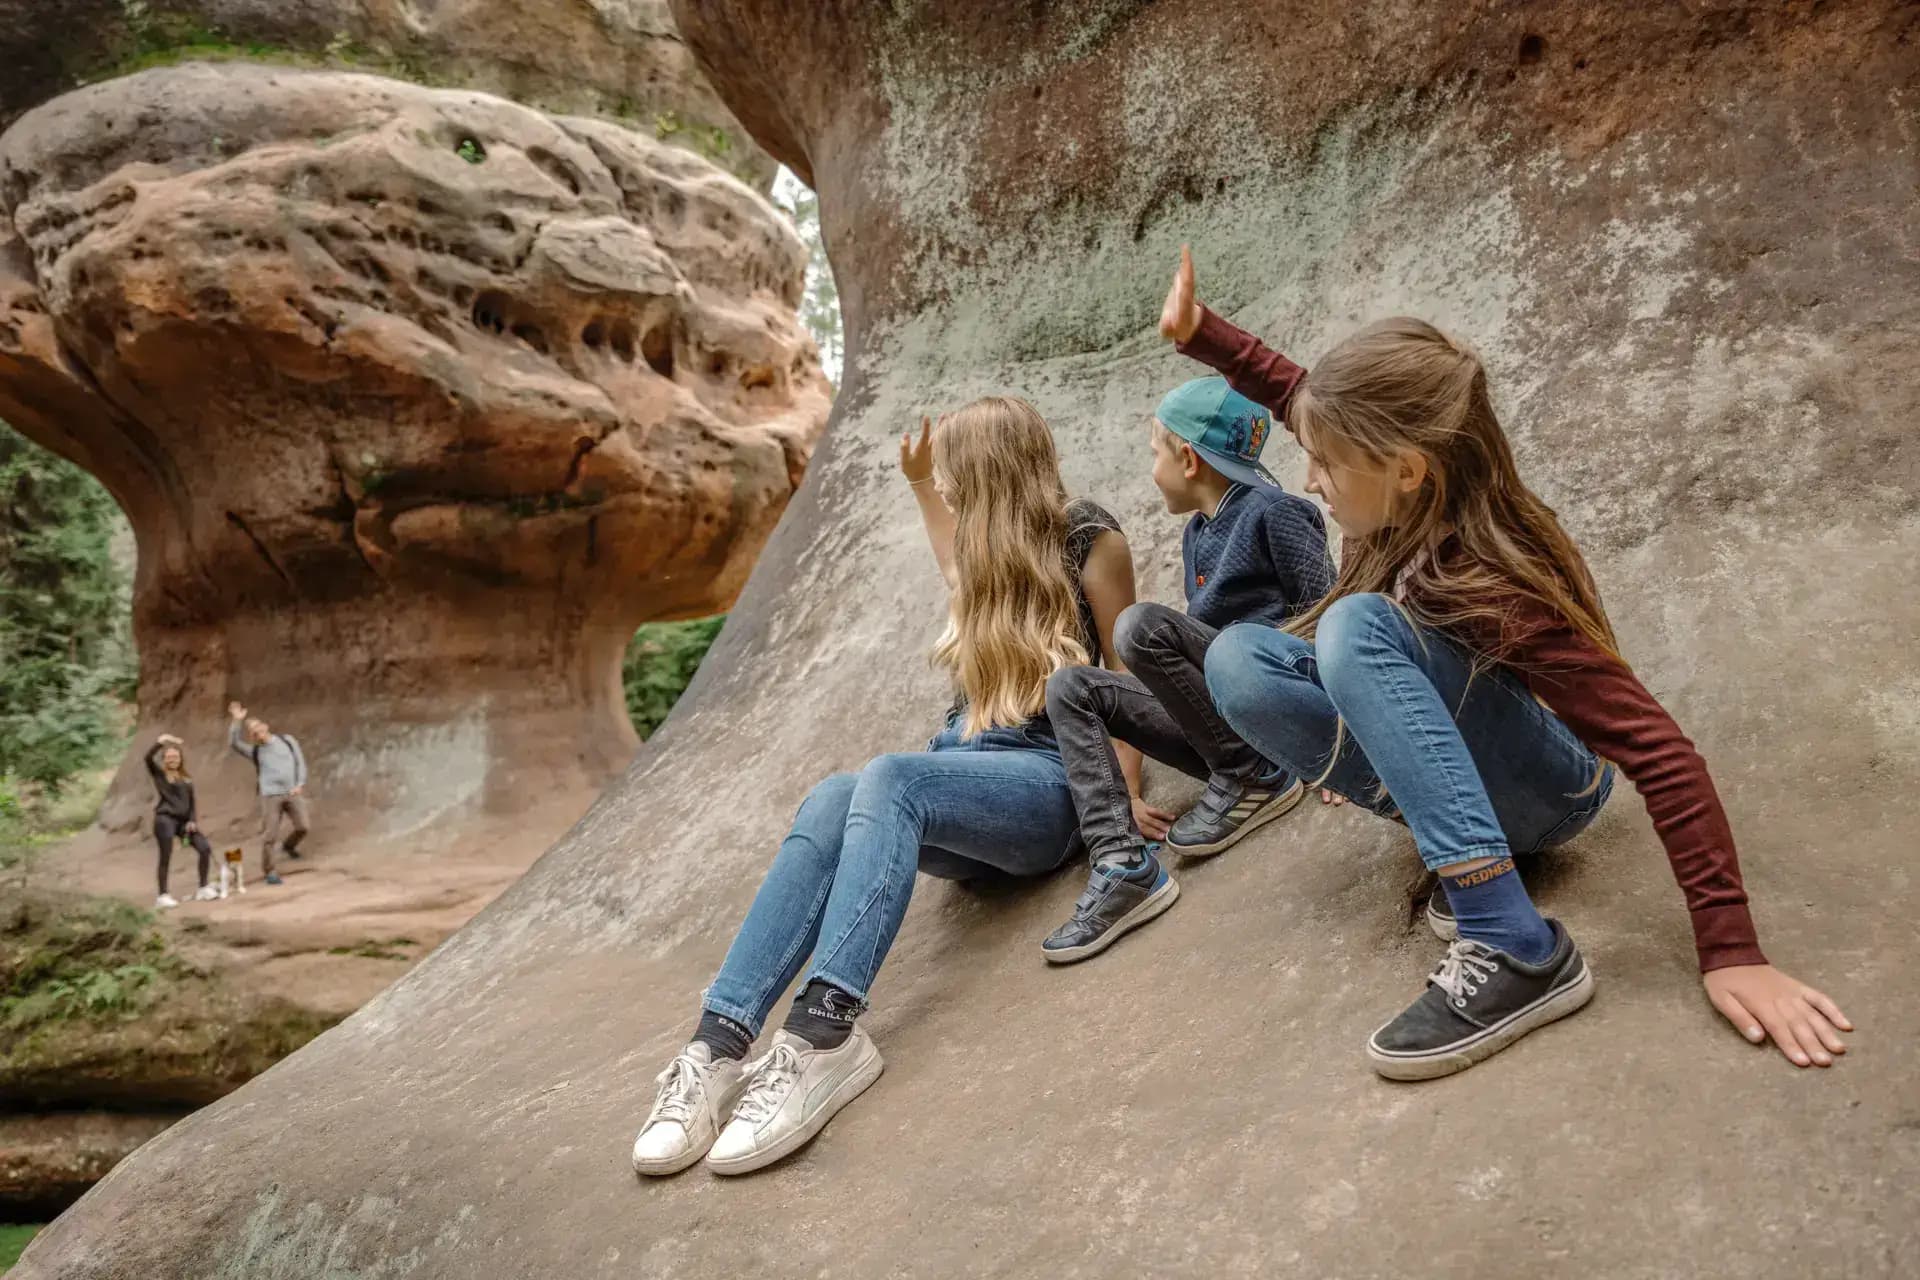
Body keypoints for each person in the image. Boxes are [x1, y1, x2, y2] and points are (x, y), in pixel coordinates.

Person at [1154, 247, 1851, 1080]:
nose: (1308, 480)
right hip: (1477, 768)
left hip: (1554, 791)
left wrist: (1732, 947)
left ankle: (1513, 941)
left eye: (1324, 464)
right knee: (1237, 661)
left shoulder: (1486, 577)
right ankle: (1462, 845)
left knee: (1353, 631)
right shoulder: (1389, 487)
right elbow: (1300, 394)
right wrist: (1204, 335)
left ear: (1406, 469)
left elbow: (1661, 752)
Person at [631, 396, 1142, 1178]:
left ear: (988, 472)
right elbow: (951, 560)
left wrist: (1122, 804)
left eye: (952, 480)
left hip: (1050, 779)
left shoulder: (1091, 540)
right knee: (837, 795)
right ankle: (717, 1046)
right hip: (968, 767)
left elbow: (1124, 673)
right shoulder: (985, 551)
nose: (949, 493)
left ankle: (823, 1035)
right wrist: (913, 486)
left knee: (889, 777)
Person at [1039, 376, 1333, 962]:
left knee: (1137, 626)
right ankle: (1119, 860)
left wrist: (1332, 738)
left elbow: (1326, 617)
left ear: (1189, 459)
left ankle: (1259, 777)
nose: (1152, 467)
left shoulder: (1278, 513)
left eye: (1155, 452)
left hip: (1272, 711)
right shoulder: (1199, 532)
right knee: (1070, 685)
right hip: (1220, 727)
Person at [227, 701, 309, 886]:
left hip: (292, 792)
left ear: (265, 726)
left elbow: (300, 762)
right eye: (252, 731)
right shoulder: (255, 751)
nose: (256, 732)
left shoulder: (287, 741)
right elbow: (233, 743)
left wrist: (300, 783)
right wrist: (236, 721)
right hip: (271, 796)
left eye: (257, 727)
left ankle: (289, 846)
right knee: (270, 835)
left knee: (303, 826)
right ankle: (270, 871)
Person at [144, 734, 215, 908]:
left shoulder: (186, 779)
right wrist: (161, 740)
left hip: (184, 822)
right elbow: (147, 758)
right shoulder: (160, 775)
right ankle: (163, 895)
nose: (173, 759)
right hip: (165, 819)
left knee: (204, 848)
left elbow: (191, 802)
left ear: (180, 759)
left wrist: (192, 820)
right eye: (169, 757)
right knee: (166, 856)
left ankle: (203, 887)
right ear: (164, 760)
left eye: (175, 756)